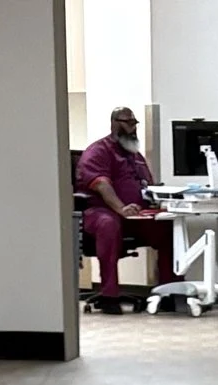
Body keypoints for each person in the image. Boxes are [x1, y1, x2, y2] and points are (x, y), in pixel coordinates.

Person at [76, 107, 177, 312]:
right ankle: (109, 296)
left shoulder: (135, 155)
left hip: (134, 214)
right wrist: (121, 208)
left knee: (168, 226)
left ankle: (169, 291)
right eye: (128, 122)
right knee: (108, 225)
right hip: (99, 212)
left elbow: (147, 185)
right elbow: (101, 185)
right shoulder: (98, 151)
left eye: (134, 123)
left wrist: (161, 200)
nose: (133, 127)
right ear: (114, 122)